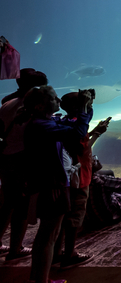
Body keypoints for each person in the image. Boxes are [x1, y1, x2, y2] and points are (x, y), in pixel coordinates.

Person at [24, 85, 92, 283]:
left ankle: (39, 278)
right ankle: (41, 281)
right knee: (47, 237)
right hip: (51, 186)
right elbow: (78, 131)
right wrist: (83, 106)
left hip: (52, 183)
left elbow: (75, 126)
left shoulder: (45, 121)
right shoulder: (41, 125)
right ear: (38, 106)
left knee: (49, 236)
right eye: (53, 99)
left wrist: (86, 106)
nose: (58, 102)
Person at [54, 92, 109, 269]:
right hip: (78, 178)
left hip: (65, 178)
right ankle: (69, 254)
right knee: (74, 217)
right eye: (85, 103)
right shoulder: (77, 128)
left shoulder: (62, 122)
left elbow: (80, 143)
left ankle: (56, 253)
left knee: (62, 217)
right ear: (78, 108)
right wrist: (95, 133)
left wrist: (94, 132)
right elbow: (82, 147)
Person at [0, 67, 47, 261]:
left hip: (5, 157)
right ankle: (15, 250)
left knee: (7, 204)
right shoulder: (30, 110)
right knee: (21, 206)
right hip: (22, 160)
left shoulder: (6, 104)